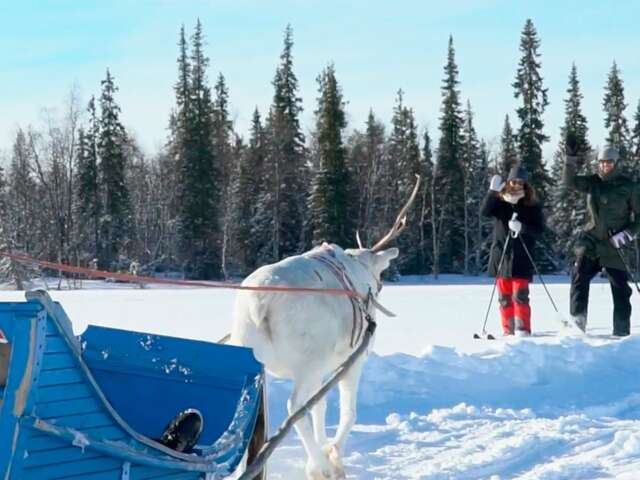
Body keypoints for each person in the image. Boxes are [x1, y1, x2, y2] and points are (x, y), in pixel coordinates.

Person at [564, 134, 640, 336]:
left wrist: (626, 235)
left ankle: (621, 333)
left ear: (616, 163)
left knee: (620, 290)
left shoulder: (629, 186)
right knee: (579, 279)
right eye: (602, 162)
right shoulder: (593, 182)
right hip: (591, 241)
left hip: (615, 244)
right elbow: (570, 181)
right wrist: (570, 160)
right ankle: (577, 325)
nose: (605, 166)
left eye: (609, 162)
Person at [481, 164, 545, 336]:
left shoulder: (531, 206)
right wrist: (491, 193)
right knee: (504, 299)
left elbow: (539, 230)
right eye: (513, 182)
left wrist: (522, 227)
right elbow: (484, 212)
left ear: (525, 185)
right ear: (508, 183)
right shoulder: (500, 203)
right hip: (501, 256)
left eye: (520, 182)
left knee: (520, 296)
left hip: (522, 258)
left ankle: (522, 330)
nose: (516, 185)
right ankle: (508, 331)